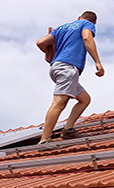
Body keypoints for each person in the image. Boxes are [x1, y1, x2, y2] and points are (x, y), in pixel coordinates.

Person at [36, 11, 105, 144]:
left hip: (56, 67)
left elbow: (41, 43)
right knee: (59, 103)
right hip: (68, 68)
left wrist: (53, 53)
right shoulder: (87, 24)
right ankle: (44, 139)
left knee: (84, 99)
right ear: (94, 23)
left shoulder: (61, 28)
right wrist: (97, 61)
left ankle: (68, 130)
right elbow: (87, 38)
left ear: (78, 17)